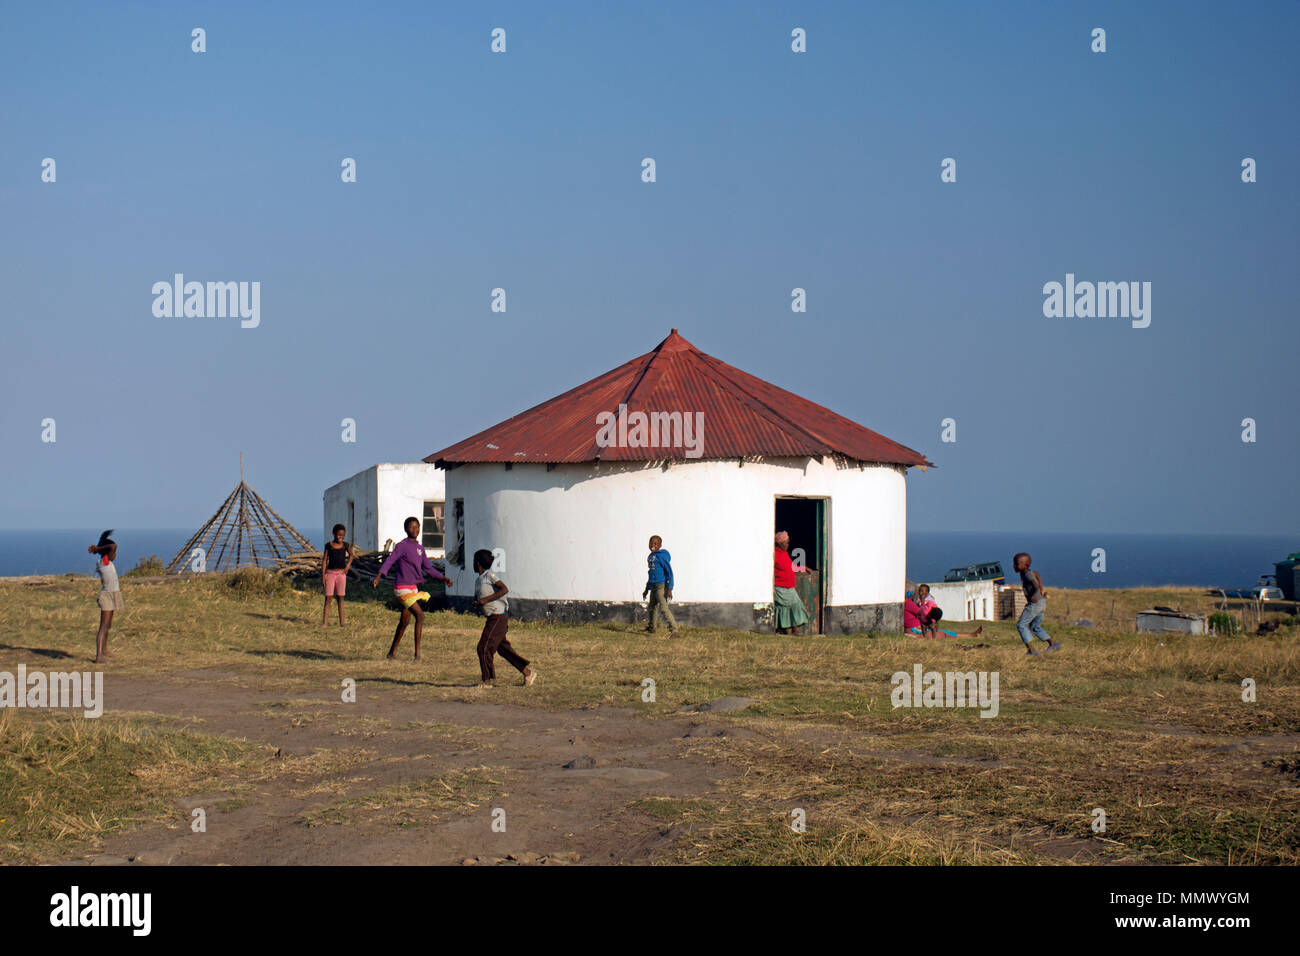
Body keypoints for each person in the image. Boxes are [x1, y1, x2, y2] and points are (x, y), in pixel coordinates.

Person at [372, 517, 453, 660]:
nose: (414, 530)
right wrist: (379, 576)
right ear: (406, 529)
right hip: (402, 588)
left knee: (404, 622)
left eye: (417, 527)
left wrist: (443, 578)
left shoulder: (420, 548)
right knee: (420, 616)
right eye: (411, 527)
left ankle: (391, 653)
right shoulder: (402, 546)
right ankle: (417, 655)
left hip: (413, 589)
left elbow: (428, 568)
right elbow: (389, 561)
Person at [472, 549, 535, 689]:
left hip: (498, 617)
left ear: (477, 563)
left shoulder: (490, 576)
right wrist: (477, 603)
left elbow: (504, 589)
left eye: (473, 561)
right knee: (503, 649)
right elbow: (480, 597)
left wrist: (486, 600)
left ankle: (487, 681)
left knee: (483, 647)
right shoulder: (479, 580)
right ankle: (528, 673)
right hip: (491, 617)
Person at [1014, 552, 1059, 655]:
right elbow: (1037, 575)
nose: (1014, 566)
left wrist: (1035, 595)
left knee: (1021, 625)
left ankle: (1031, 650)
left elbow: (1035, 585)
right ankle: (1053, 644)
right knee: (1035, 626)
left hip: (1035, 604)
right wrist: (1042, 589)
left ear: (1025, 565)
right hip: (1041, 603)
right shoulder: (1027, 572)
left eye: (1017, 564)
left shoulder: (1027, 574)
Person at [86, 530, 122, 663]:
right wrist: (97, 549)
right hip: (107, 596)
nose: (115, 555)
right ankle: (99, 656)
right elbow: (113, 546)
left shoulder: (106, 562)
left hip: (112, 594)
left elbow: (112, 548)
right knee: (103, 626)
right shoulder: (104, 561)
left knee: (108, 625)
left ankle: (104, 650)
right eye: (113, 554)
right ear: (107, 553)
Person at [773, 530, 810, 634]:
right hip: (780, 587)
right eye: (786, 542)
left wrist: (803, 568)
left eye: (788, 542)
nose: (788, 545)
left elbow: (791, 567)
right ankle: (792, 629)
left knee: (791, 606)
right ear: (779, 544)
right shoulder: (775, 555)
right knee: (792, 605)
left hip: (788, 586)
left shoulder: (784, 554)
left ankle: (786, 629)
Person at [914, 583, 983, 639]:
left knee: (945, 632)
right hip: (923, 627)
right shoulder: (918, 601)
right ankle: (971, 635)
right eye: (921, 591)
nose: (922, 593)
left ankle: (971, 635)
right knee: (945, 633)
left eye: (924, 591)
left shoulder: (929, 601)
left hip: (929, 624)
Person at [642, 535, 678, 636]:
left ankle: (674, 629)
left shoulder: (661, 556)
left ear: (660, 545)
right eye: (651, 543)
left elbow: (669, 572)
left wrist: (670, 588)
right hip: (653, 586)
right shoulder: (650, 557)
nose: (653, 545)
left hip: (661, 586)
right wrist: (646, 589)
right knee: (652, 607)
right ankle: (651, 627)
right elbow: (651, 573)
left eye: (656, 543)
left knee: (663, 608)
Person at [321, 524, 354, 627]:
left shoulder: (346, 545)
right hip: (330, 574)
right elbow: (325, 560)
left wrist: (348, 565)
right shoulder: (328, 545)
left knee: (340, 598)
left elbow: (352, 555)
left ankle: (342, 622)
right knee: (328, 598)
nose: (341, 537)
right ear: (333, 534)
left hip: (341, 574)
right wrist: (323, 575)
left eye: (343, 535)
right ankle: (325, 623)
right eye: (339, 535)